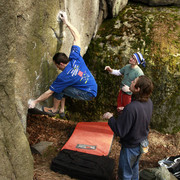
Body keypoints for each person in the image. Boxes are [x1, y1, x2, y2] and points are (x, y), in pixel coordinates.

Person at [29, 11, 97, 117]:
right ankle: (61, 110)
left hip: (88, 93)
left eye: (56, 65)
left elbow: (49, 92)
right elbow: (77, 37)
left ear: (61, 64)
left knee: (60, 89)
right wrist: (66, 21)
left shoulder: (64, 76)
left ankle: (54, 110)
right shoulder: (75, 57)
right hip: (92, 86)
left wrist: (35, 102)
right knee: (64, 87)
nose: (57, 68)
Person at [103, 75, 153, 180]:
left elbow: (120, 131)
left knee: (125, 174)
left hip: (130, 147)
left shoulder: (132, 108)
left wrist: (110, 118)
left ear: (137, 89)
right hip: (141, 143)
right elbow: (139, 116)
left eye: (134, 81)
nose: (131, 81)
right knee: (134, 168)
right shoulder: (149, 102)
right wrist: (125, 111)